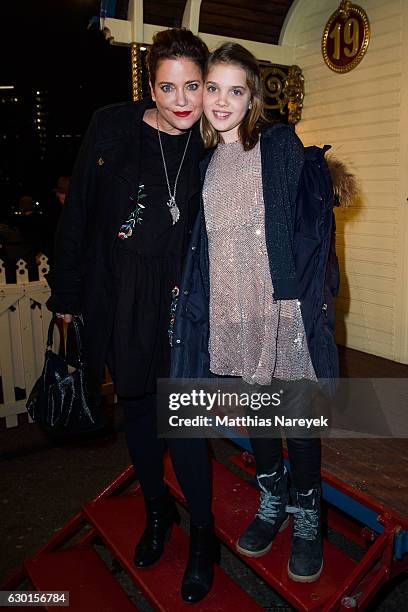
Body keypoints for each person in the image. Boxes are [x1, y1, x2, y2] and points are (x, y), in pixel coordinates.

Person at [46, 28, 218, 603]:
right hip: (121, 297)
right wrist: (66, 295)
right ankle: (156, 512)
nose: (182, 99)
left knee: (186, 422)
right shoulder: (112, 126)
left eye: (192, 84)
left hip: (184, 303)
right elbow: (80, 220)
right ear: (150, 85)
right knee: (140, 413)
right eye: (168, 86)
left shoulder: (214, 141)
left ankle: (203, 537)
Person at [170, 42, 339, 583]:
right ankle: (274, 499)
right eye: (212, 88)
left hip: (279, 306)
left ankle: (309, 515)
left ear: (252, 97)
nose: (221, 101)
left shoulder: (278, 145)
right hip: (231, 307)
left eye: (235, 90)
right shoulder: (203, 161)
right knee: (260, 414)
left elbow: (309, 227)